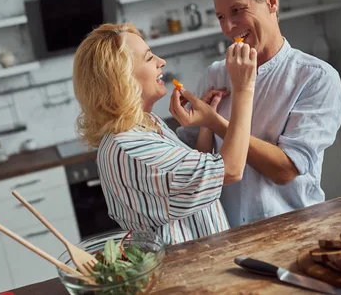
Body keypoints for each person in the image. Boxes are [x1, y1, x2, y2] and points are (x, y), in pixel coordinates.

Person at [177, 0, 341, 227]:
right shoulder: (215, 75)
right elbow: (195, 163)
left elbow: (286, 169)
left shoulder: (316, 77)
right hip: (227, 234)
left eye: (237, 11)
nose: (229, 26)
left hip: (295, 229)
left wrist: (214, 122)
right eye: (220, 16)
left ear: (272, 2)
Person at [72, 23, 256, 245]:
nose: (162, 62)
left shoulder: (147, 124)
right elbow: (231, 171)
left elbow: (188, 182)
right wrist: (244, 88)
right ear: (122, 79)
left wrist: (207, 123)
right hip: (186, 271)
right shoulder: (132, 149)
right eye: (149, 58)